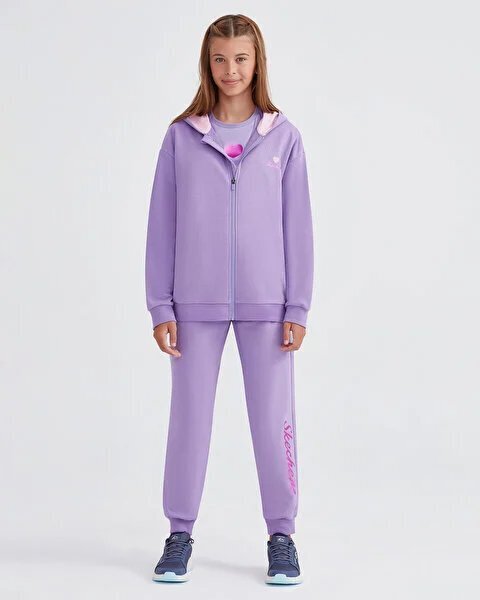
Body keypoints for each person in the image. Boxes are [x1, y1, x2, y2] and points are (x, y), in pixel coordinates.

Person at [145, 14, 314, 585]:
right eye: (220, 59)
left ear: (257, 61)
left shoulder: (283, 138)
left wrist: (297, 307)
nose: (231, 70)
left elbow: (298, 228)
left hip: (269, 308)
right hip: (193, 306)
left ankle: (282, 535)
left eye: (241, 58)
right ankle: (179, 533)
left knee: (273, 421)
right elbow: (161, 225)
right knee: (189, 421)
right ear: (207, 63)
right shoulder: (181, 137)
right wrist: (161, 305)